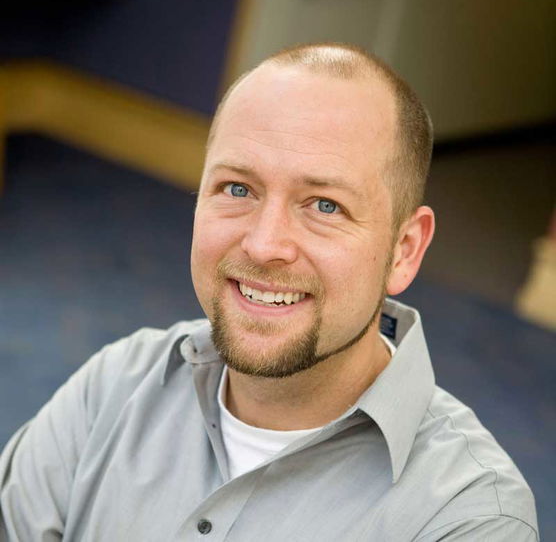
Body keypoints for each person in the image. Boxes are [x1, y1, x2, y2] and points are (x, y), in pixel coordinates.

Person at [0, 43, 538, 541]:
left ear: (404, 250)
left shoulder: (468, 518)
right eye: (238, 189)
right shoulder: (113, 389)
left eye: (325, 205)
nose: (263, 245)